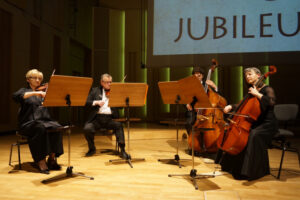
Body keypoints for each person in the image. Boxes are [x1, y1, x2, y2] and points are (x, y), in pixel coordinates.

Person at [220, 67, 278, 180]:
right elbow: (243, 106)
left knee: (253, 135)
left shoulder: (267, 89)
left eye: (250, 74)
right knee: (241, 135)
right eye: (246, 75)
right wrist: (231, 106)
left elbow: (272, 102)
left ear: (258, 75)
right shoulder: (252, 90)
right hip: (256, 122)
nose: (247, 77)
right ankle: (234, 168)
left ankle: (252, 172)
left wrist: (257, 94)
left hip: (267, 123)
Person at [12, 69, 64, 174]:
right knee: (39, 128)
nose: (37, 80)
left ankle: (52, 158)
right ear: (28, 80)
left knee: (57, 127)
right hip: (27, 124)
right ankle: (41, 161)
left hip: (44, 121)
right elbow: (15, 96)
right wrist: (36, 93)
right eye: (35, 78)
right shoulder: (24, 91)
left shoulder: (44, 92)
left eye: (39, 78)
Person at [83, 73, 129, 158]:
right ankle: (92, 149)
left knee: (119, 126)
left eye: (110, 82)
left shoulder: (115, 92)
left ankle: (123, 150)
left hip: (110, 119)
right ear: (102, 82)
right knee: (87, 128)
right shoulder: (95, 90)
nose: (109, 84)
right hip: (96, 119)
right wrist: (96, 102)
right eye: (107, 82)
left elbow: (121, 108)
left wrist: (118, 99)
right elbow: (86, 102)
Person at [185, 67, 218, 135]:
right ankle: (192, 139)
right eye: (195, 75)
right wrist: (187, 104)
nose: (197, 77)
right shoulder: (189, 86)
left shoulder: (207, 85)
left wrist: (214, 86)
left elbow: (217, 96)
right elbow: (184, 98)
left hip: (206, 111)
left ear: (202, 76)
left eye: (199, 75)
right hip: (194, 110)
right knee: (188, 124)